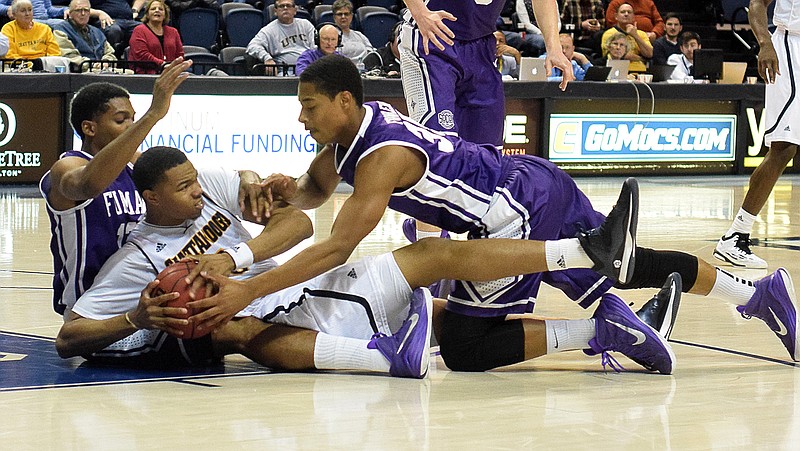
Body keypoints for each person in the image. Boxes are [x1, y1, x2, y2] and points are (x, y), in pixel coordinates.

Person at [189, 55, 800, 370]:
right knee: (625, 265)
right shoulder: (345, 143)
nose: (301, 117)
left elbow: (336, 247)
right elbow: (310, 194)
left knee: (464, 345)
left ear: (344, 101)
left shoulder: (380, 159)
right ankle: (752, 290)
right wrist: (274, 188)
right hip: (533, 180)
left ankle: (602, 325)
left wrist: (247, 289)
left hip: (510, 213)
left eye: (309, 106)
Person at [56, 146, 686, 376]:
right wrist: (138, 317)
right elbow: (69, 338)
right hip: (289, 320)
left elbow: (301, 220)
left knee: (434, 257)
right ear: (151, 197)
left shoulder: (213, 210)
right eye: (187, 187)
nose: (200, 193)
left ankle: (587, 268)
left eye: (200, 182)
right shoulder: (137, 261)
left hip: (307, 284)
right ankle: (380, 360)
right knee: (231, 330)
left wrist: (234, 253)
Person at [38, 59, 193, 317]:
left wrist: (244, 180)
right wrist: (153, 114)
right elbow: (89, 184)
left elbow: (190, 188)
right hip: (89, 310)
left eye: (133, 119)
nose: (131, 126)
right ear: (89, 128)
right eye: (121, 120)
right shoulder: (67, 167)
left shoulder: (136, 165)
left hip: (139, 295)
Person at [397, 0, 572, 148]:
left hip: (481, 46)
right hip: (433, 39)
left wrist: (554, 47)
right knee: (439, 146)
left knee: (488, 151)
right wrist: (420, 13)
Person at [713, 0, 800, 269]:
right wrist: (765, 43)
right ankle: (736, 235)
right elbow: (757, 4)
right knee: (784, 147)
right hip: (791, 46)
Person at [245, 0, 314, 76]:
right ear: (275, 11)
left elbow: (316, 46)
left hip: (309, 68)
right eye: (281, 6)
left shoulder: (306, 24)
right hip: (286, 72)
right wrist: (267, 58)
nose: (285, 8)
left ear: (295, 10)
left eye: (288, 6)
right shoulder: (268, 30)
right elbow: (252, 46)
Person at [1, 0, 68, 71]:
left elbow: (55, 53)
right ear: (14, 14)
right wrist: (30, 64)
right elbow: (9, 55)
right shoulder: (8, 29)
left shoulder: (45, 29)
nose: (27, 14)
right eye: (23, 11)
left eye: (30, 10)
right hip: (19, 67)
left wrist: (43, 64)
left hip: (44, 66)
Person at [52, 0, 117, 72]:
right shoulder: (61, 30)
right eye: (78, 10)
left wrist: (106, 62)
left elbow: (110, 53)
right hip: (80, 72)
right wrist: (92, 65)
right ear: (70, 14)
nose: (83, 13)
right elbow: (69, 57)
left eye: (86, 10)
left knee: (130, 74)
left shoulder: (96, 31)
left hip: (103, 70)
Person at [128, 0, 183, 74]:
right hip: (145, 75)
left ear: (165, 15)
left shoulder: (173, 32)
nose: (157, 11)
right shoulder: (139, 30)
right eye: (153, 9)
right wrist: (162, 64)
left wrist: (174, 66)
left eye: (160, 9)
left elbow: (180, 54)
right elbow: (141, 55)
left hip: (170, 74)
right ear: (147, 14)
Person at [600, 3, 652, 72]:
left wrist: (635, 36)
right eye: (623, 12)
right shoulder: (609, 33)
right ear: (616, 16)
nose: (626, 14)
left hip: (641, 71)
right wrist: (642, 59)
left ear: (634, 17)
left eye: (629, 12)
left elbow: (649, 54)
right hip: (618, 71)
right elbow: (619, 55)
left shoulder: (641, 34)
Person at [331, 0, 372, 67]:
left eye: (346, 14)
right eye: (340, 14)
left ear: (351, 16)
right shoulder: (330, 36)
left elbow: (372, 53)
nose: (343, 17)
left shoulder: (359, 35)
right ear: (334, 17)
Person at [0, 0, 66, 29]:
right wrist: (7, 9)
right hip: (30, 19)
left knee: (64, 24)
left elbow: (49, 9)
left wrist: (65, 10)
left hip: (47, 19)